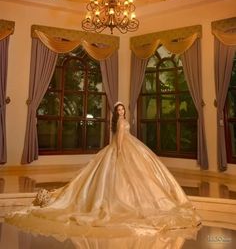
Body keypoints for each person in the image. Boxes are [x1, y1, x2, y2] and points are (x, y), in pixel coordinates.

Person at [5, 101, 201, 239]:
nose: (122, 112)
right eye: (120, 109)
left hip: (128, 148)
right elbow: (120, 141)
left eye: (123, 109)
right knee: (127, 182)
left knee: (138, 180)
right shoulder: (119, 123)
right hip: (123, 150)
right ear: (117, 113)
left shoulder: (119, 122)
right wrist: (120, 154)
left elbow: (116, 138)